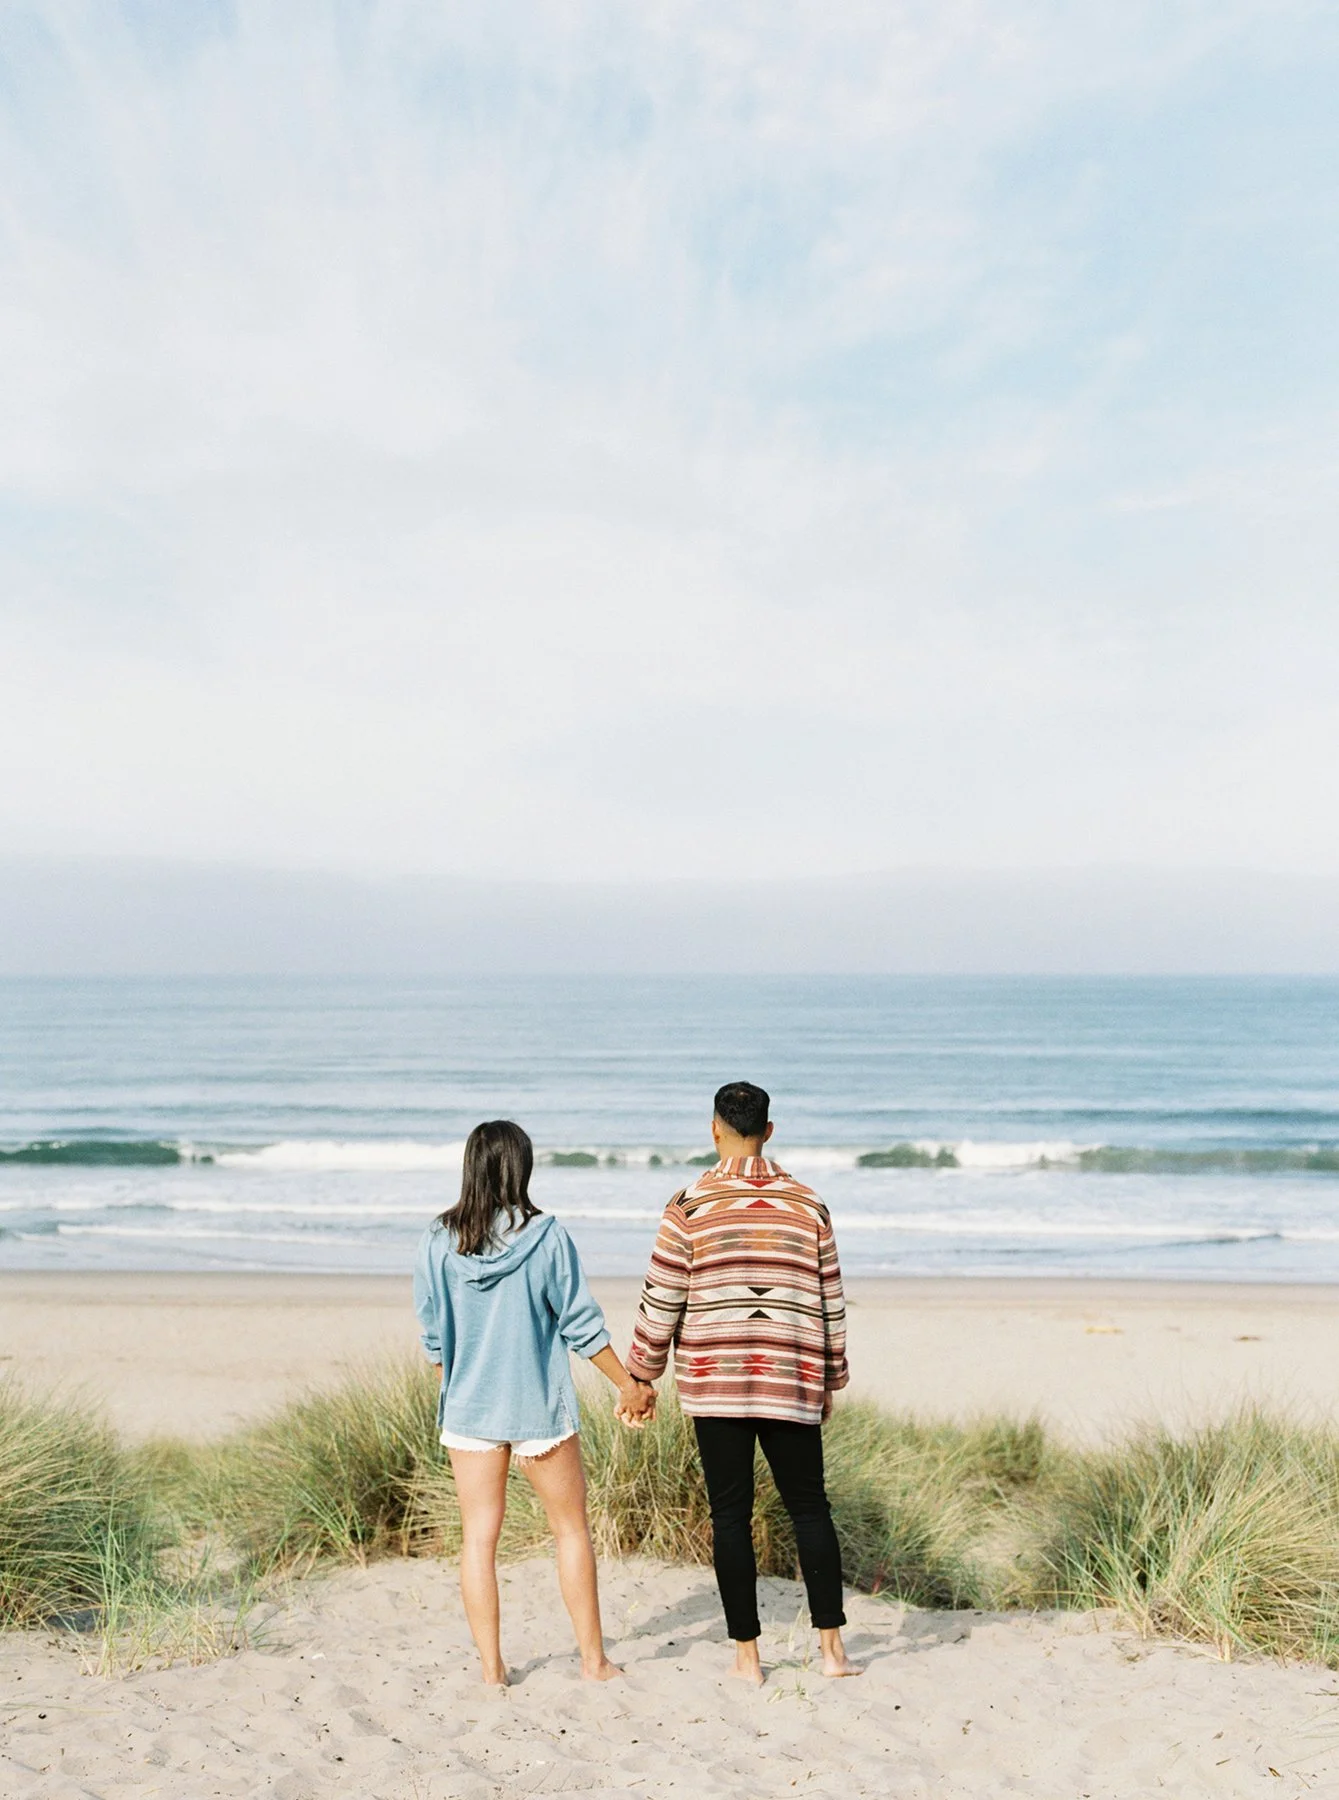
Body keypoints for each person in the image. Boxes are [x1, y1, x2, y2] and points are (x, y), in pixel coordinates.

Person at [622, 1081, 859, 1685]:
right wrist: (830, 1376)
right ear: (770, 1131)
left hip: (715, 1381)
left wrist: (641, 1376)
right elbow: (831, 1301)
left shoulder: (688, 1206)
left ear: (714, 1128)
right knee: (811, 1510)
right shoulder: (809, 1206)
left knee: (730, 1517)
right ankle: (832, 1652)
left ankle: (747, 1659)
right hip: (792, 1377)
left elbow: (661, 1298)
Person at [413, 1118, 647, 1685]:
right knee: (570, 1531)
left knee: (478, 1540)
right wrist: (628, 1384)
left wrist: (461, 1383)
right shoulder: (547, 1236)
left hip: (469, 1408)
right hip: (537, 1406)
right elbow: (580, 1324)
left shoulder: (438, 1239)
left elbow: (433, 1337)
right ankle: (594, 1662)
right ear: (523, 1167)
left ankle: (492, 1671)